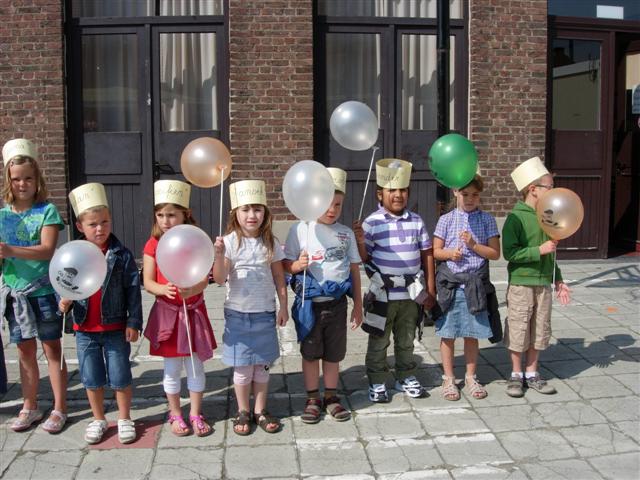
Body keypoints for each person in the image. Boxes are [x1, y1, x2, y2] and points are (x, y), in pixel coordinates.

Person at [59, 183, 142, 444]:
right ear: (80, 226)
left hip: (115, 327)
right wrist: (63, 302)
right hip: (84, 329)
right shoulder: (72, 255)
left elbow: (133, 290)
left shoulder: (121, 255)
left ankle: (124, 418)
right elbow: (63, 281)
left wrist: (133, 322)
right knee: (91, 377)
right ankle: (98, 418)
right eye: (93, 224)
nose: (100, 228)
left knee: (120, 375)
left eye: (105, 222)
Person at [283, 167, 363, 423]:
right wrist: (297, 265)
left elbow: (354, 270)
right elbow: (286, 264)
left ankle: (330, 396)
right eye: (327, 203)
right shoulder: (300, 229)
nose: (332, 209)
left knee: (333, 354)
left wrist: (358, 305)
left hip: (337, 305)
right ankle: (312, 398)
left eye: (338, 204)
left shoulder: (346, 234)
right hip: (310, 306)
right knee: (310, 354)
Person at [353, 159, 436, 403]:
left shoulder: (416, 221)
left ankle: (405, 375)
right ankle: (377, 379)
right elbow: (364, 257)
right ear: (380, 194)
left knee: (407, 339)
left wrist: (430, 289)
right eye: (392, 190)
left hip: (411, 295)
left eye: (403, 190)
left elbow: (427, 254)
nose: (398, 195)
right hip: (383, 295)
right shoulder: (372, 223)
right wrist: (360, 240)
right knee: (379, 339)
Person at [0, 138, 68, 433]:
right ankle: (30, 405)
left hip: (43, 292)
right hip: (15, 295)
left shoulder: (47, 211)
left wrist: (10, 250)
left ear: (37, 179)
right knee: (24, 351)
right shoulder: (2, 215)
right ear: (8, 180)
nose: (22, 184)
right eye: (16, 179)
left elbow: (47, 250)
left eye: (28, 178)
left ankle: (60, 407)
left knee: (52, 349)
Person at [212, 180, 288, 435]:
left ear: (265, 212)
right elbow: (220, 278)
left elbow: (279, 277)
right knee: (243, 368)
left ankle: (260, 410)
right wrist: (218, 255)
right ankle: (243, 410)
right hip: (238, 315)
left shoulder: (271, 242)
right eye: (245, 209)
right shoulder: (229, 242)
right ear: (235, 213)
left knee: (262, 367)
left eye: (257, 209)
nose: (251, 215)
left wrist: (283, 306)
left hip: (264, 314)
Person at [142, 180, 216, 437]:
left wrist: (193, 289)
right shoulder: (153, 243)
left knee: (195, 365)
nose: (165, 220)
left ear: (186, 213)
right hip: (168, 316)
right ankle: (175, 413)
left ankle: (195, 413)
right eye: (160, 215)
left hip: (193, 312)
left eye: (172, 214)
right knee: (172, 368)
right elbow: (148, 281)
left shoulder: (195, 240)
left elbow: (205, 278)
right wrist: (162, 289)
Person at [503, 156, 571, 397]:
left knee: (540, 328)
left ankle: (532, 373)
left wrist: (558, 279)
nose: (553, 191)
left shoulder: (548, 215)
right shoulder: (516, 218)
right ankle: (515, 374)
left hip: (543, 282)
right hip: (522, 282)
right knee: (519, 327)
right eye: (549, 187)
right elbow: (509, 253)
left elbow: (551, 253)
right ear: (533, 189)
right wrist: (537, 250)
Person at [432, 175, 501, 401]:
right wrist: (450, 253)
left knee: (472, 334)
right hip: (452, 286)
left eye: (475, 195)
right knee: (448, 333)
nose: (470, 199)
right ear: (455, 192)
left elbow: (495, 253)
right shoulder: (446, 219)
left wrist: (473, 245)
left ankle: (471, 376)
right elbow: (435, 251)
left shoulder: (487, 220)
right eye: (465, 194)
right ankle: (449, 378)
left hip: (475, 286)